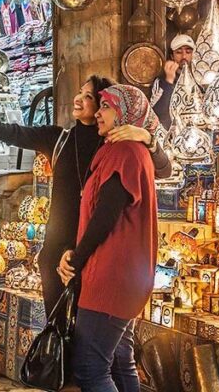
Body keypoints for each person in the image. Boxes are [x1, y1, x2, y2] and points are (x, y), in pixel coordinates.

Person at [0, 63, 171, 314]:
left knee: (87, 333)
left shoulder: (116, 143)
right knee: (58, 331)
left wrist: (148, 139)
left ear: (104, 107)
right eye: (80, 93)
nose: (79, 99)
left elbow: (163, 170)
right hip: (55, 253)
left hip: (93, 253)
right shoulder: (58, 139)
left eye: (89, 97)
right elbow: (2, 131)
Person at [58, 84, 160, 392]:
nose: (98, 113)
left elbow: (105, 217)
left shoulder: (126, 153)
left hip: (111, 275)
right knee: (118, 358)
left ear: (125, 114)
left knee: (90, 367)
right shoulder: (117, 150)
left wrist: (76, 258)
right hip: (123, 274)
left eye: (105, 107)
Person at [150, 33, 195, 129]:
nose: (184, 56)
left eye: (188, 52)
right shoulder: (161, 81)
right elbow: (155, 113)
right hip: (172, 133)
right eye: (178, 52)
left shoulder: (200, 79)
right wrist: (169, 81)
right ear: (172, 56)